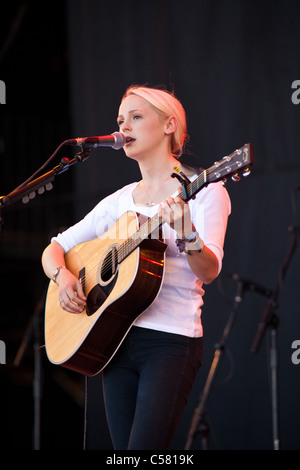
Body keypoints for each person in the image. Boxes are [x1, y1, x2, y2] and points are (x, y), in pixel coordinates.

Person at [41, 85, 231, 450]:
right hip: (115, 339)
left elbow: (208, 271)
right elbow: (55, 248)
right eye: (119, 120)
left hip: (170, 342)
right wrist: (62, 275)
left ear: (168, 125)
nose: (122, 127)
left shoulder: (206, 191)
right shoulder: (119, 202)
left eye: (136, 117)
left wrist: (188, 233)